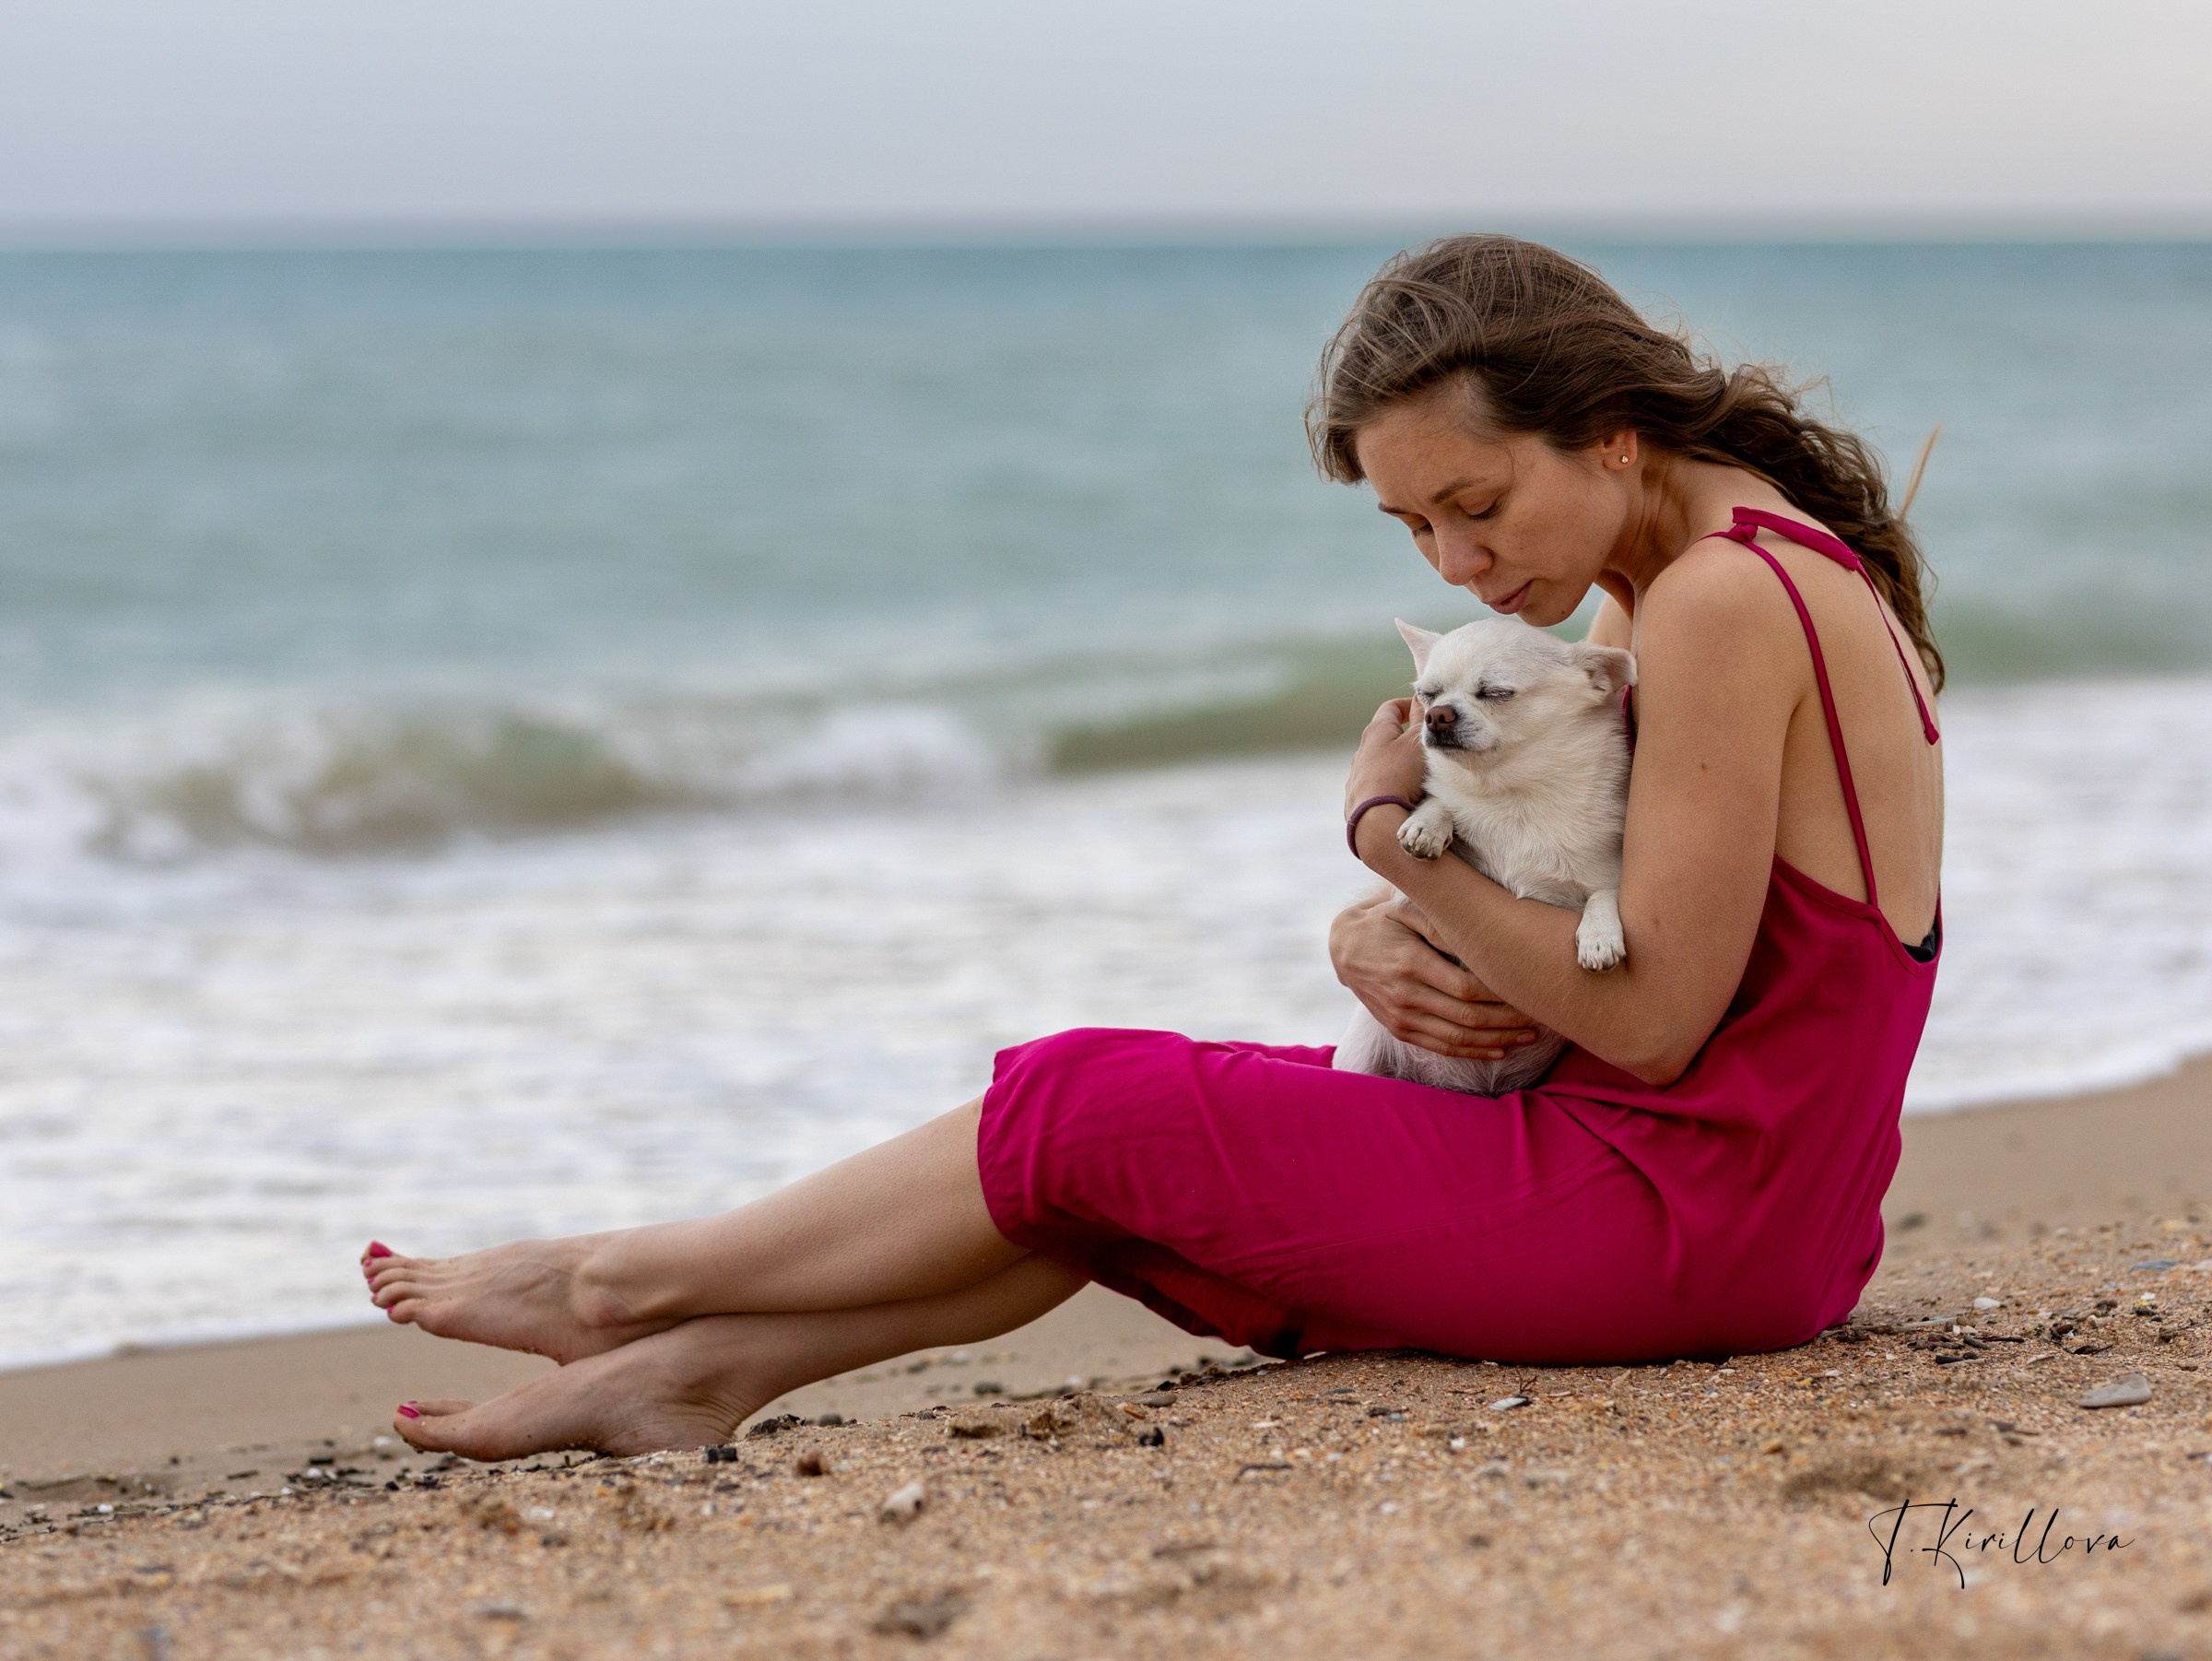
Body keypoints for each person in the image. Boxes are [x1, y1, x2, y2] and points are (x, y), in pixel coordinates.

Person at [362, 235, 1944, 1459]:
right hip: (1734, 1211)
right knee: (1147, 1161)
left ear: (1605, 433)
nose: (1461, 560)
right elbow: (1597, 900)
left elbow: (1656, 1016)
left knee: (1087, 1098)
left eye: (1476, 501)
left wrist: (1389, 844)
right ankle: (701, 1372)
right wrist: (1373, 933)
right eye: (1413, 532)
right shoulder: (1674, 579)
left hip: (1681, 1219)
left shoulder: (1729, 598)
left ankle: (620, 1283)